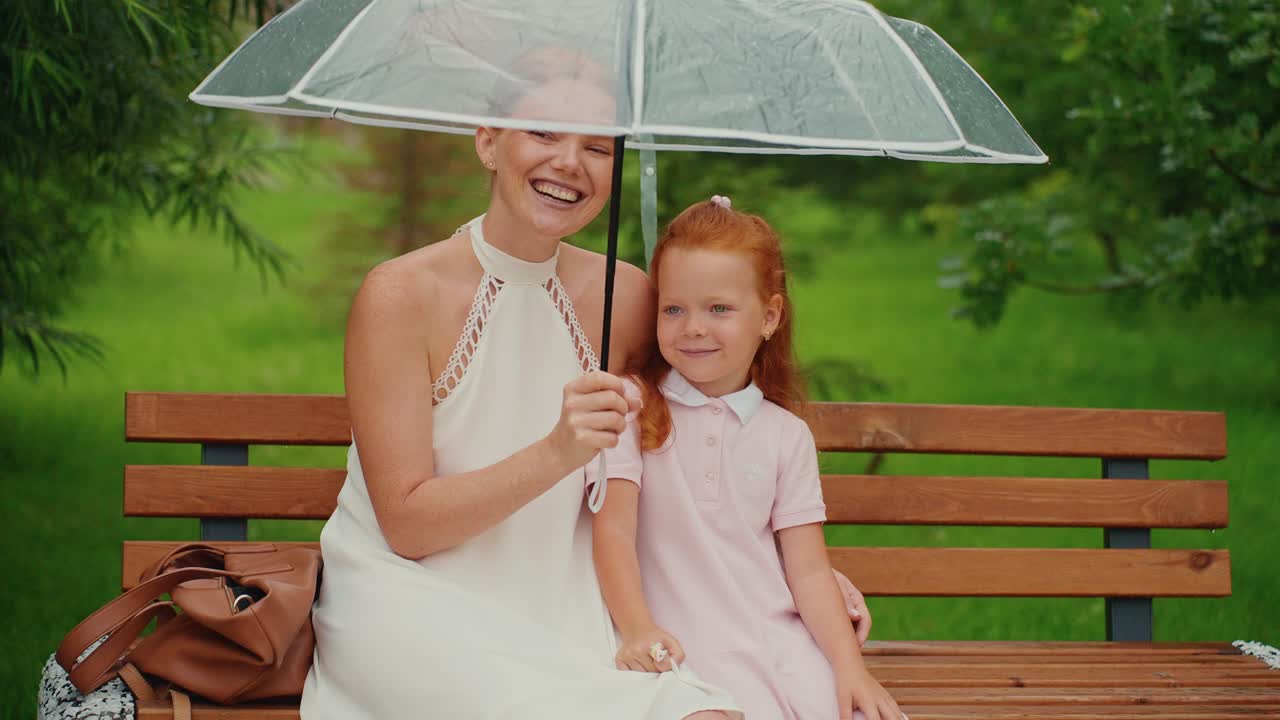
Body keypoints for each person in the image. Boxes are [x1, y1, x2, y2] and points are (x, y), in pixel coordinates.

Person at [300, 49, 869, 719]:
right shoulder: (400, 295)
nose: (569, 161)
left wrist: (774, 574)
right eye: (543, 132)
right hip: (415, 602)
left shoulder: (628, 297)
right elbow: (405, 526)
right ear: (488, 140)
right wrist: (556, 453)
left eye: (598, 147)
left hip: (572, 603)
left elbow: (684, 445)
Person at [588, 197, 903, 720]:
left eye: (719, 309)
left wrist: (850, 668)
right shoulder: (630, 406)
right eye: (674, 308)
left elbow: (807, 572)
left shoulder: (786, 436)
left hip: (778, 641)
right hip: (679, 643)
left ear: (769, 316)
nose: (693, 327)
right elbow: (614, 532)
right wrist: (638, 627)